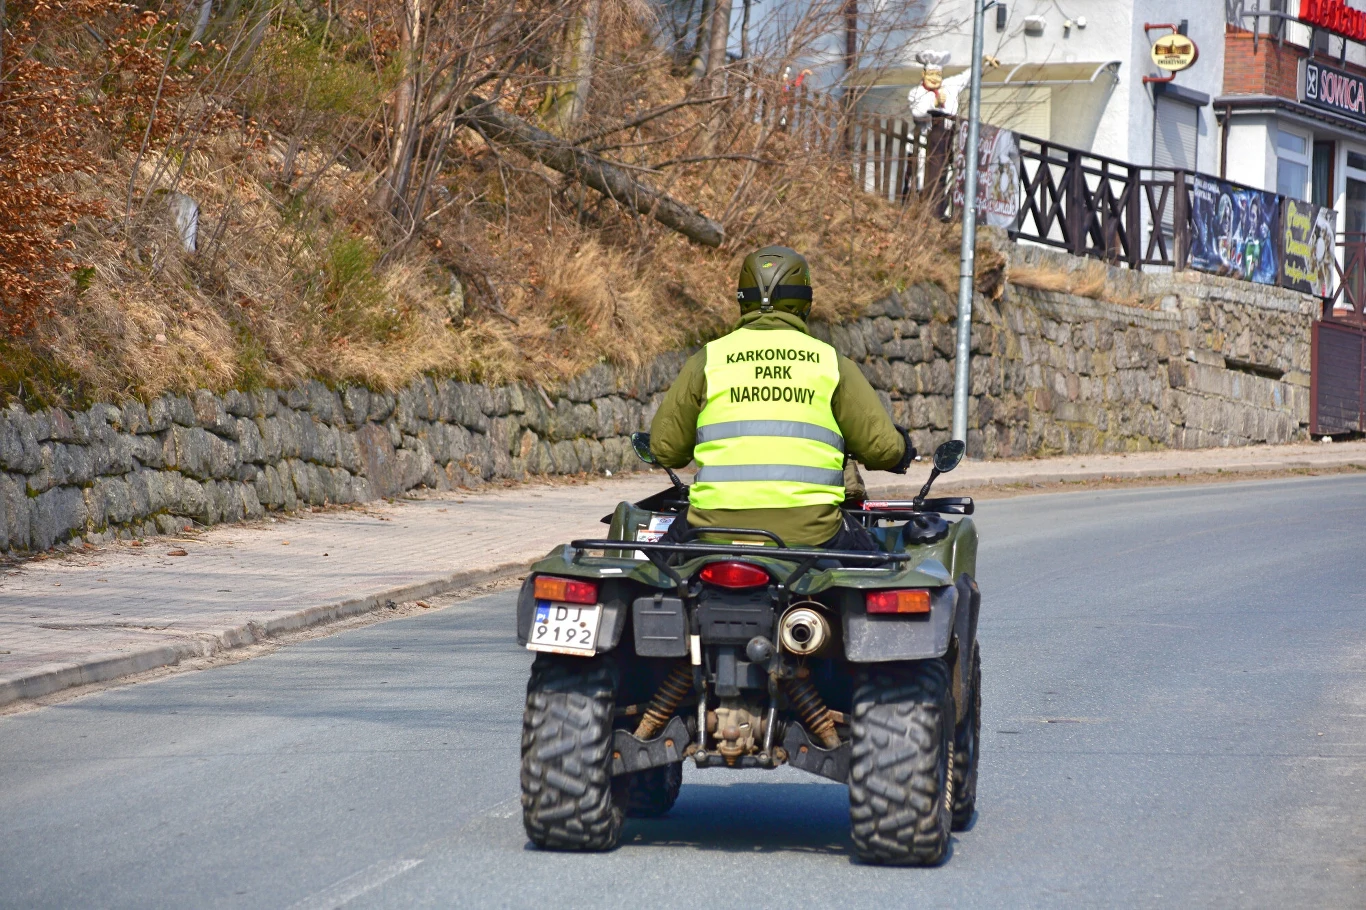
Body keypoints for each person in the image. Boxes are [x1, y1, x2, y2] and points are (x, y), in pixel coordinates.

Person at [648, 246, 916, 550]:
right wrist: (903, 448)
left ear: (742, 298)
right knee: (879, 571)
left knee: (653, 573)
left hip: (712, 527)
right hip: (812, 531)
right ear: (804, 302)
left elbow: (665, 449)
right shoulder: (829, 362)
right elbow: (881, 449)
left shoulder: (709, 360)